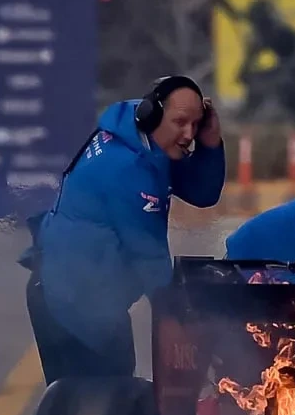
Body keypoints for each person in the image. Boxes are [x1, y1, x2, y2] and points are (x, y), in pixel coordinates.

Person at [19, 75, 225, 386]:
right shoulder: (128, 169)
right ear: (151, 114)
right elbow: (150, 260)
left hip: (79, 295)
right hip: (71, 305)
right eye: (181, 122)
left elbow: (203, 193)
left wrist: (210, 145)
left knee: (95, 406)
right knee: (98, 410)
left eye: (195, 124)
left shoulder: (143, 138)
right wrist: (186, 322)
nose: (188, 134)